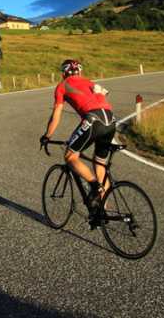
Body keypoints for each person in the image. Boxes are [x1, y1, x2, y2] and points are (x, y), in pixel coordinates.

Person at [39, 58, 117, 215]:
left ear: (63, 73)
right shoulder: (90, 82)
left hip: (93, 120)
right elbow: (103, 97)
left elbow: (56, 115)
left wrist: (47, 135)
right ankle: (102, 209)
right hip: (111, 120)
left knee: (70, 156)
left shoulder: (62, 86)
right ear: (80, 71)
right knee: (100, 163)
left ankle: (95, 187)